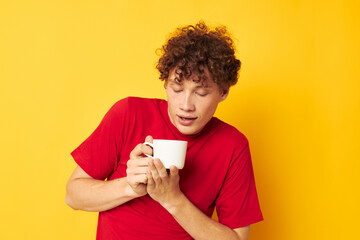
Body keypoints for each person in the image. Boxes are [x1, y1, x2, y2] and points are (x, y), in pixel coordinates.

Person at [65, 21, 263, 240]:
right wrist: (130, 187)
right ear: (165, 84)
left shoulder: (233, 145)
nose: (186, 105)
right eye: (177, 89)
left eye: (202, 93)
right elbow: (73, 196)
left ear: (223, 92)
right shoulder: (129, 113)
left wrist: (172, 199)